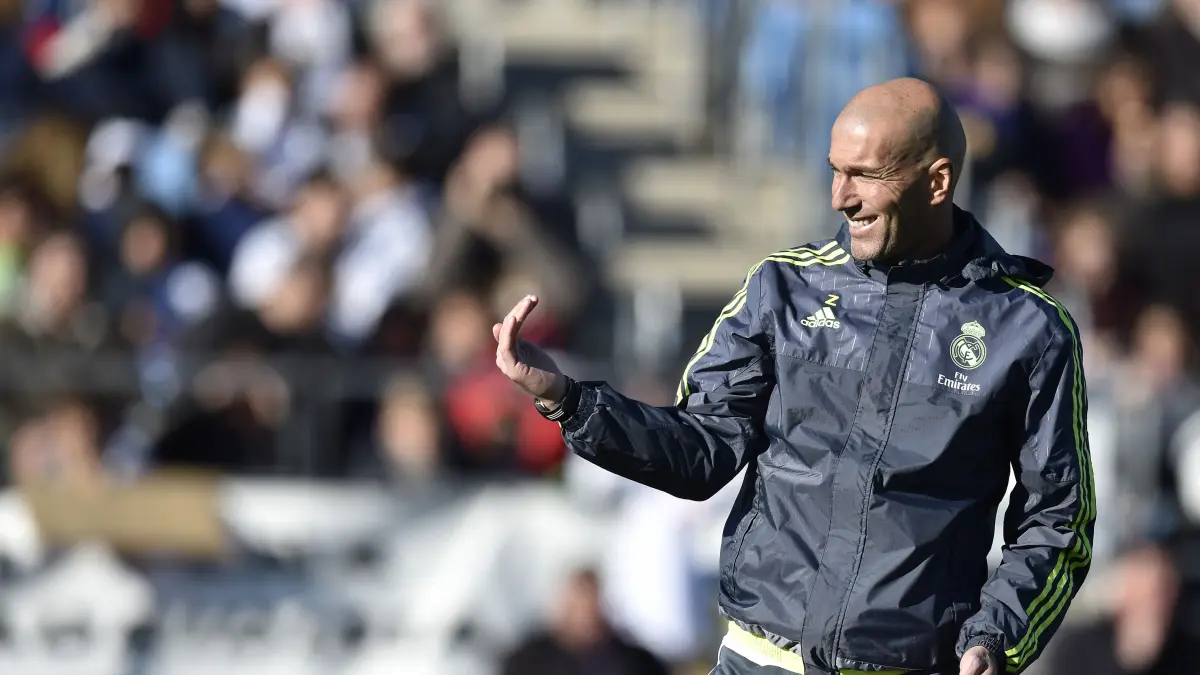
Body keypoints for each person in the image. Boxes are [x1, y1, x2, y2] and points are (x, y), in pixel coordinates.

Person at [494, 78, 1095, 675]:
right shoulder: (781, 289)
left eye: (864, 175)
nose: (840, 197)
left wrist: (996, 638)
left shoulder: (1030, 329)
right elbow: (699, 451)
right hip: (755, 662)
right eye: (835, 171)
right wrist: (569, 400)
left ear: (937, 182)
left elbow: (1058, 519)